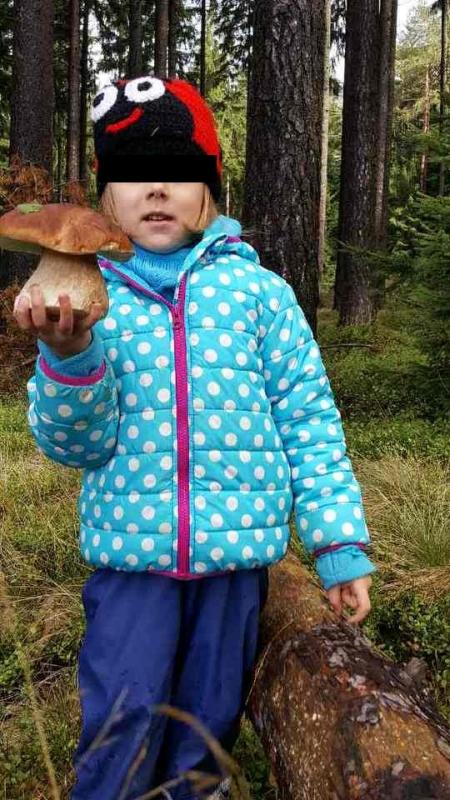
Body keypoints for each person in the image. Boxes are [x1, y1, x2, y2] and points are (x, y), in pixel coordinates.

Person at [14, 75, 376, 800]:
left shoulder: (260, 294)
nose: (157, 189)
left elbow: (309, 422)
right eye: (133, 175)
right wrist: (70, 357)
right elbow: (74, 446)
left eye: (178, 173)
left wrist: (338, 544)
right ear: (106, 197)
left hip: (234, 567)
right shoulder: (90, 298)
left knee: (207, 729)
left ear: (209, 189)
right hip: (131, 566)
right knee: (123, 719)